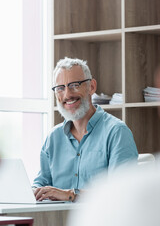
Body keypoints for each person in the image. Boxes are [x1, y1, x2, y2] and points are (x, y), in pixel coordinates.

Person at [33, 57, 138, 202]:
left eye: (75, 85)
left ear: (92, 87)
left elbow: (122, 192)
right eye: (60, 88)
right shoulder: (53, 138)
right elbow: (41, 183)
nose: (67, 94)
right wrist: (33, 191)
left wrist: (71, 195)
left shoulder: (117, 133)